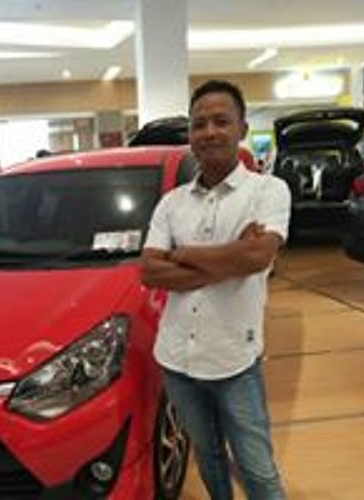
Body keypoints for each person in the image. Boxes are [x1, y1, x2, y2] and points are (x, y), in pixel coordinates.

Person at [141, 79, 291, 500]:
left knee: (258, 471)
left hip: (234, 360)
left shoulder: (268, 191)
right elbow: (149, 271)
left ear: (242, 129)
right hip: (176, 358)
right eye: (199, 123)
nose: (209, 132)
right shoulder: (172, 202)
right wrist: (229, 258)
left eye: (221, 121)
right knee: (208, 458)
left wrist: (182, 254)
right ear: (190, 133)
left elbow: (257, 256)